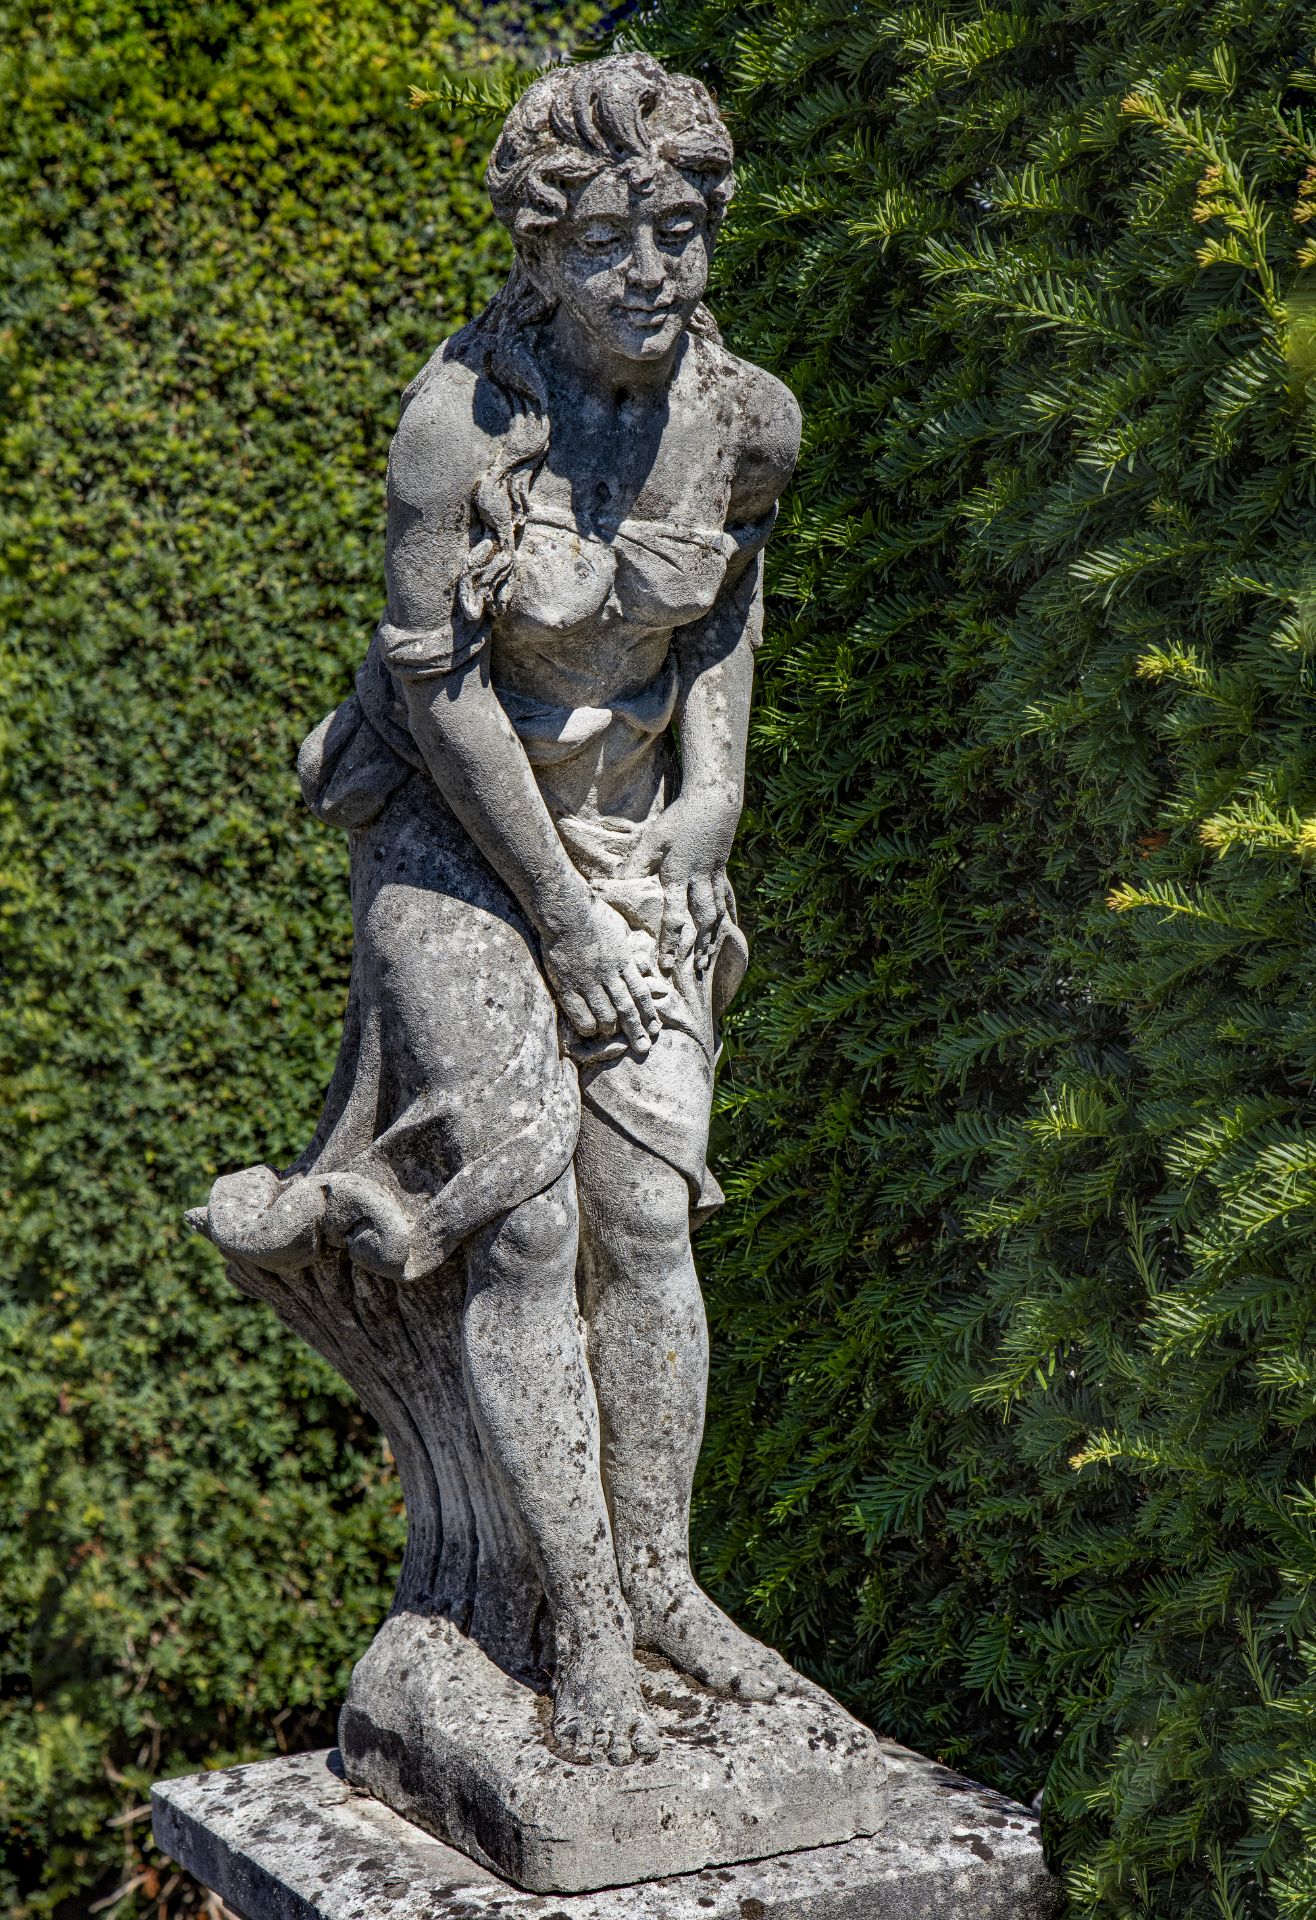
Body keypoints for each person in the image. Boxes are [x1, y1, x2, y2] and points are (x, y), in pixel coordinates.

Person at [201, 50, 802, 1766]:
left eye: (679, 233)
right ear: (538, 253)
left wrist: (715, 794)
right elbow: (445, 699)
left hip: (630, 831)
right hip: (460, 839)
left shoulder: (742, 413)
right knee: (532, 1221)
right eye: (608, 241)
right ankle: (583, 1627)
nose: (652, 275)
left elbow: (729, 600)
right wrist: (572, 923)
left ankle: (670, 1580)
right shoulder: (451, 430)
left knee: (651, 1214)